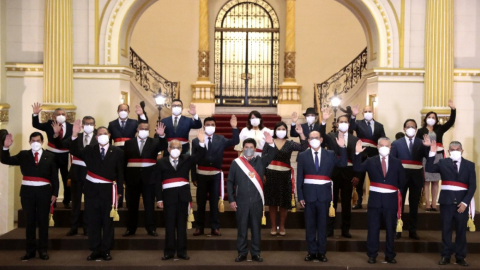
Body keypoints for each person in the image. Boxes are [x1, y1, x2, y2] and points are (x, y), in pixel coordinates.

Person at [69, 121, 124, 261]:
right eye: (99, 134)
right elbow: (75, 151)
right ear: (95, 137)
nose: (102, 136)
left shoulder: (118, 152)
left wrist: (120, 193)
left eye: (105, 134)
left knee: (107, 222)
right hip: (92, 191)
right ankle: (95, 249)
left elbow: (120, 173)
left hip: (108, 191)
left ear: (109, 135)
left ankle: (106, 250)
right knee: (93, 222)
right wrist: (74, 135)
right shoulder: (89, 150)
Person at [2, 132, 59, 261]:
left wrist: (55, 193)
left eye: (38, 140)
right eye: (33, 140)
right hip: (27, 193)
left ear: (42, 141)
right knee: (30, 222)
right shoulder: (23, 155)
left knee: (43, 222)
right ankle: (30, 251)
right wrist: (5, 148)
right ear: (29, 142)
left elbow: (54, 177)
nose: (35, 143)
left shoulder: (50, 156)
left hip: (44, 193)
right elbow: (6, 160)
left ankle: (43, 251)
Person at [154, 130, 206, 260]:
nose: (175, 149)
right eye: (173, 147)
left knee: (182, 225)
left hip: (183, 197)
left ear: (181, 149)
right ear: (168, 149)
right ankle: (169, 252)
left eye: (178, 147)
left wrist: (202, 142)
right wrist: (159, 199)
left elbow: (200, 156)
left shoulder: (187, 159)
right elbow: (157, 182)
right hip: (168, 197)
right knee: (170, 225)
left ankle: (182, 252)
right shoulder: (161, 162)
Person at [353, 137, 405, 264]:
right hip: (375, 200)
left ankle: (390, 255)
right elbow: (357, 168)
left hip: (391, 200)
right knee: (373, 229)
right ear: (377, 147)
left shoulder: (397, 162)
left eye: (387, 146)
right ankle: (372, 254)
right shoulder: (370, 161)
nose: (384, 148)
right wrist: (357, 154)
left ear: (390, 148)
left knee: (390, 229)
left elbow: (402, 181)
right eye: (382, 145)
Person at [296, 131, 347, 263]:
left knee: (323, 226)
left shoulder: (330, 154)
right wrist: (300, 195)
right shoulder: (302, 155)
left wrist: (342, 147)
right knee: (310, 225)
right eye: (311, 138)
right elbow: (299, 177)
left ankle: (322, 252)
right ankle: (312, 252)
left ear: (321, 139)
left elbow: (343, 164)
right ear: (308, 140)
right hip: (308, 195)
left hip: (324, 195)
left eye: (316, 138)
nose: (314, 140)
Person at [227, 134, 277, 263]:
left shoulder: (260, 161)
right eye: (246, 147)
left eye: (251, 147)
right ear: (243, 148)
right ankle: (242, 253)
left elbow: (272, 154)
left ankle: (255, 253)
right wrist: (232, 199)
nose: (249, 149)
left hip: (256, 201)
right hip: (241, 201)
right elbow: (229, 182)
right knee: (242, 229)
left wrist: (271, 143)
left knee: (256, 229)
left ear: (255, 149)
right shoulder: (236, 163)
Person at [426, 141, 476, 267]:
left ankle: (460, 257)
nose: (455, 151)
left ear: (462, 150)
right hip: (446, 202)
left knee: (461, 230)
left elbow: (472, 186)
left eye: (457, 149)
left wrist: (465, 202)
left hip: (462, 203)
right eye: (452, 149)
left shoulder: (470, 165)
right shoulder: (443, 162)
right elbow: (429, 168)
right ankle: (446, 255)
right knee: (446, 230)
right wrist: (432, 152)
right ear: (448, 152)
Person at [191, 115, 239, 237]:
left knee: (214, 202)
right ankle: (199, 227)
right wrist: (194, 177)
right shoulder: (196, 141)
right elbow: (193, 160)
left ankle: (215, 227)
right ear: (204, 126)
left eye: (212, 125)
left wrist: (234, 128)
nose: (210, 127)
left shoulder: (221, 139)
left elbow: (235, 142)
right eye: (208, 125)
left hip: (215, 175)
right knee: (201, 203)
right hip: (201, 174)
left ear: (215, 127)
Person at [122, 122, 168, 237]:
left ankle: (151, 228)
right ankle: (131, 229)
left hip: (150, 178)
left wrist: (162, 136)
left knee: (149, 205)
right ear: (137, 129)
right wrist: (123, 177)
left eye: (146, 129)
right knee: (132, 205)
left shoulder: (155, 141)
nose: (144, 130)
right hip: (132, 179)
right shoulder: (128, 143)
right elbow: (124, 161)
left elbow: (163, 146)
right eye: (142, 128)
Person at [321, 111, 362, 238]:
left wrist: (357, 175)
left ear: (349, 125)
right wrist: (323, 121)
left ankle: (345, 229)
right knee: (331, 202)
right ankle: (329, 228)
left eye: (345, 122)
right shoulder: (331, 136)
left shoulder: (355, 139)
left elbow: (358, 158)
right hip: (333, 172)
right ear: (337, 124)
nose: (343, 124)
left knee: (346, 202)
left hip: (348, 173)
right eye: (341, 122)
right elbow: (321, 135)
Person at [265, 121, 308, 236]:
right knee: (272, 202)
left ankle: (282, 226)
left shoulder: (290, 143)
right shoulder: (269, 142)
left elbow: (304, 147)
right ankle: (274, 226)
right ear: (275, 130)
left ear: (286, 131)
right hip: (270, 174)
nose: (281, 131)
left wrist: (301, 134)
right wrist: (263, 174)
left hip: (285, 175)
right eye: (279, 129)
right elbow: (264, 158)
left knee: (284, 202)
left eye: (283, 129)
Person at [391, 119, 431, 240]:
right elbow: (392, 161)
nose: (410, 128)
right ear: (404, 129)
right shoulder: (396, 143)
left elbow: (429, 158)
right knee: (399, 205)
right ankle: (398, 229)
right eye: (408, 127)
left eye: (413, 127)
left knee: (414, 205)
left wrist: (428, 147)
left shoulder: (421, 142)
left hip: (417, 177)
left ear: (416, 129)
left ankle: (412, 230)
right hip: (401, 178)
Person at [57, 116, 97, 237]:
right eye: (86, 123)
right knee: (75, 202)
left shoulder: (98, 137)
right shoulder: (76, 136)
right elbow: (61, 145)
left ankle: (87, 227)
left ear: (94, 125)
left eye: (91, 123)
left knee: (89, 203)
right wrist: (73, 134)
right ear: (82, 125)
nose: (88, 125)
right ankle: (73, 227)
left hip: (91, 174)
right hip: (76, 173)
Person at [416, 100, 456, 211]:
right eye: (429, 117)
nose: (431, 119)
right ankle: (427, 203)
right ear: (426, 118)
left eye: (434, 117)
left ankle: (434, 203)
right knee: (427, 180)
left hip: (438, 155)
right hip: (426, 156)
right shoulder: (421, 130)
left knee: (436, 180)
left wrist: (453, 109)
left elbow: (450, 122)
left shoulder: (440, 129)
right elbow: (418, 144)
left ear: (436, 120)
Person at [32, 103, 72, 208]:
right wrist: (35, 115)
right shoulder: (49, 124)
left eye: (63, 114)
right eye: (58, 114)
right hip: (51, 155)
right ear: (54, 116)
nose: (61, 115)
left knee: (66, 178)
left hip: (65, 155)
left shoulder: (71, 127)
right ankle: (51, 200)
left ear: (66, 116)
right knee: (52, 177)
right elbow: (36, 125)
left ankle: (67, 200)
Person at [107, 103, 148, 208]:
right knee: (118, 176)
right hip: (116, 153)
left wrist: (142, 115)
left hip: (130, 153)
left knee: (129, 178)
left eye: (125, 110)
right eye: (121, 109)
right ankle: (118, 201)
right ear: (117, 111)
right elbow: (108, 140)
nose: (123, 111)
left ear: (129, 111)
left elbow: (144, 126)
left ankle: (130, 202)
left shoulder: (134, 123)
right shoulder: (112, 124)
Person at [349, 104, 386, 209]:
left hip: (374, 155)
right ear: (362, 113)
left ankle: (374, 201)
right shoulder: (358, 123)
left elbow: (383, 138)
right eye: (365, 111)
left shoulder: (379, 125)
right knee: (359, 178)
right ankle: (359, 201)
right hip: (361, 154)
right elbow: (351, 128)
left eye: (369, 111)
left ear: (373, 112)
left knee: (375, 177)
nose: (368, 113)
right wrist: (353, 116)